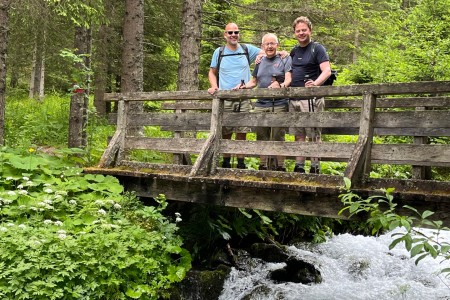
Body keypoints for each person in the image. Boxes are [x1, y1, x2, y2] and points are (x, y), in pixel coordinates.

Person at [208, 23, 263, 169]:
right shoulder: (219, 52)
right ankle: (226, 161)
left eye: (236, 32)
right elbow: (212, 72)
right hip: (225, 97)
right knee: (225, 131)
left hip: (244, 96)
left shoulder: (247, 49)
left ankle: (240, 162)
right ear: (225, 35)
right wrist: (215, 86)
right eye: (230, 32)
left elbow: (268, 50)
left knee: (242, 130)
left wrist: (262, 57)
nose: (233, 35)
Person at [235, 33, 292, 171]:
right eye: (267, 44)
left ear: (277, 45)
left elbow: (289, 79)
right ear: (262, 46)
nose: (270, 46)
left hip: (279, 103)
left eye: (272, 43)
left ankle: (280, 167)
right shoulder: (260, 61)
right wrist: (244, 86)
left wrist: (281, 86)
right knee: (261, 135)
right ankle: (263, 165)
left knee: (278, 135)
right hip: (261, 104)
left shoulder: (284, 59)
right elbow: (254, 81)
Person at [289, 16, 331, 174]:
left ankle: (315, 167)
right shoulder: (294, 51)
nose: (301, 33)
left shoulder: (317, 48)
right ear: (294, 33)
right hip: (295, 99)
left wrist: (316, 84)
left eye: (304, 30)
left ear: (310, 30)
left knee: (313, 133)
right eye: (298, 31)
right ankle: (299, 166)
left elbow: (327, 70)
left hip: (311, 99)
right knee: (298, 134)